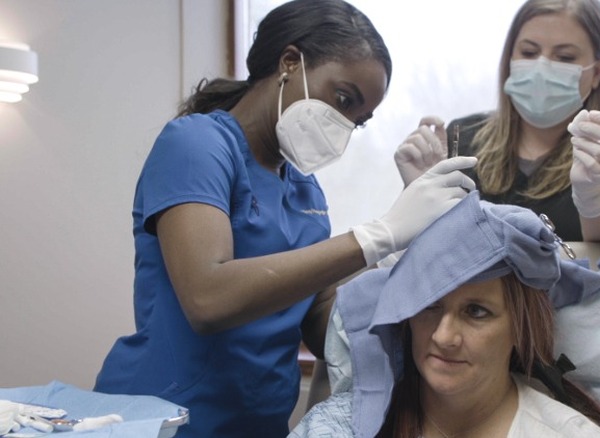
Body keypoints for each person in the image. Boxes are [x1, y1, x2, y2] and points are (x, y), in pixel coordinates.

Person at [92, 1, 476, 437]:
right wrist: (380, 234)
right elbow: (208, 299)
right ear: (290, 62)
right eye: (342, 99)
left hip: (258, 424)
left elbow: (319, 317)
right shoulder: (198, 144)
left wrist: (415, 258)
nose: (345, 125)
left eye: (359, 120)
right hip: (166, 419)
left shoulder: (304, 188)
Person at [289, 191, 600, 438]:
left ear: (521, 329)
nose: (443, 337)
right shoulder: (339, 428)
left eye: (476, 311)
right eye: (429, 305)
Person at [402, 0, 600, 242]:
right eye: (529, 53)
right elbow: (437, 249)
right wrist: (419, 193)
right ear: (510, 57)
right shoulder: (465, 136)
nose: (541, 67)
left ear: (597, 72)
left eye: (565, 57)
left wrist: (595, 193)